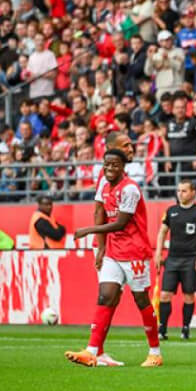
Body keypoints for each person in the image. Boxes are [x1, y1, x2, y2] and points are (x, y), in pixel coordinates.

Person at [65, 150, 162, 368]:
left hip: (135, 252)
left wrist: (89, 230)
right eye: (107, 165)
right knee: (105, 295)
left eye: (115, 165)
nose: (110, 169)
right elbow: (100, 211)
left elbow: (121, 223)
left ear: (123, 167)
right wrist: (100, 247)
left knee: (141, 301)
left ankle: (155, 352)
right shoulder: (103, 184)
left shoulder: (130, 189)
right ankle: (92, 352)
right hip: (113, 251)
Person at [153, 179, 196, 341]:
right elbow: (162, 232)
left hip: (191, 260)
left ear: (193, 193)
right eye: (178, 190)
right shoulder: (171, 211)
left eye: (184, 191)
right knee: (165, 295)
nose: (180, 194)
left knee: (188, 296)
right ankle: (162, 328)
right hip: (172, 259)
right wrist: (158, 253)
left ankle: (185, 328)